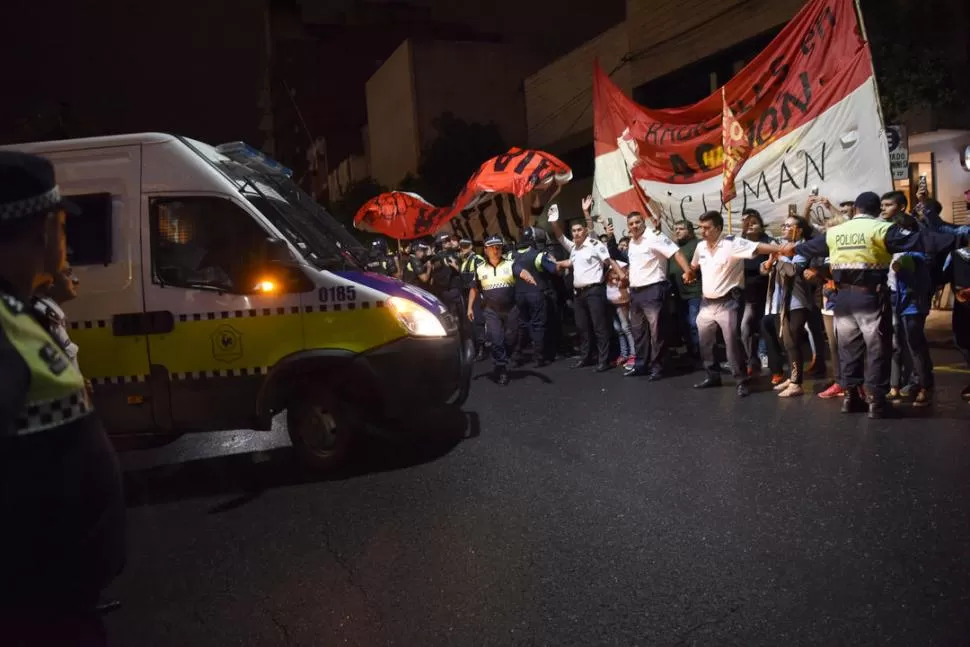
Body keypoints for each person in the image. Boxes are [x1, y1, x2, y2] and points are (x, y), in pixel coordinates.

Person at [0, 151, 125, 645]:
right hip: (36, 615)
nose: (67, 238)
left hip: (54, 603)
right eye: (62, 223)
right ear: (42, 230)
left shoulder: (19, 314)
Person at [790, 191, 951, 419]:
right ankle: (876, 401)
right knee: (877, 349)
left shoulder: (835, 232)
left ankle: (851, 397)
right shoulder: (881, 229)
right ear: (876, 210)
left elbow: (806, 248)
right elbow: (923, 241)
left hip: (842, 300)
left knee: (848, 349)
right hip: (870, 298)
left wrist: (788, 250)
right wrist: (959, 238)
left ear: (856, 209)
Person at [691, 210, 787, 397]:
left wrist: (780, 249)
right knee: (706, 343)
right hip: (706, 304)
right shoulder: (700, 247)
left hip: (728, 302)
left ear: (718, 228)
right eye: (700, 228)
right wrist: (689, 272)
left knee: (732, 345)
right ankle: (712, 376)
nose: (702, 232)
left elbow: (758, 247)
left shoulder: (731, 244)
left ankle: (741, 380)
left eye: (707, 228)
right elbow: (695, 266)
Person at [611, 211, 694, 380]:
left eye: (637, 222)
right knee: (638, 332)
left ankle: (658, 367)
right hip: (636, 292)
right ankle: (641, 365)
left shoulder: (654, 236)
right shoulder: (632, 242)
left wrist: (688, 271)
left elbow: (675, 252)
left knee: (657, 332)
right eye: (631, 223)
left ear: (643, 222)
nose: (634, 226)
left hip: (654, 289)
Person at [551, 195, 623, 372]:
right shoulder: (573, 248)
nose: (575, 233)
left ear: (584, 231)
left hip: (594, 291)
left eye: (578, 230)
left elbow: (608, 260)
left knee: (599, 327)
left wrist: (621, 273)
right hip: (579, 294)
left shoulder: (594, 244)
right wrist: (553, 221)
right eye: (573, 231)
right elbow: (560, 237)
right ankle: (586, 357)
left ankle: (603, 360)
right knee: (582, 327)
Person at [760, 215, 816, 398]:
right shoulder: (779, 247)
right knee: (785, 342)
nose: (784, 228)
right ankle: (793, 378)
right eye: (783, 225)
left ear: (798, 230)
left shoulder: (802, 249)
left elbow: (793, 271)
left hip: (797, 301)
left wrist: (779, 257)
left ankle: (796, 382)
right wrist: (770, 261)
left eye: (788, 226)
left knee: (792, 340)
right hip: (779, 301)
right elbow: (764, 269)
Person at [467, 235, 520, 385]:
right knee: (497, 339)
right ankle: (501, 368)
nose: (495, 250)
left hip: (511, 308)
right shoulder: (480, 269)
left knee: (511, 338)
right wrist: (470, 307)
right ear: (485, 250)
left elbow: (520, 271)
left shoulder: (510, 264)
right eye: (491, 248)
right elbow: (473, 289)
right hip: (491, 310)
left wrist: (526, 275)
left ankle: (502, 359)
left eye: (498, 247)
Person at [511, 226, 560, 367]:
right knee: (538, 325)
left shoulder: (511, 256)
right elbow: (554, 269)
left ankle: (517, 354)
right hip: (536, 293)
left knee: (522, 325)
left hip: (519, 295)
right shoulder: (538, 255)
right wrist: (554, 260)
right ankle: (538, 357)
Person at [739, 209, 775, 376]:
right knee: (745, 327)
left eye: (753, 222)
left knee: (763, 326)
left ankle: (763, 354)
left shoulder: (768, 242)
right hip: (745, 293)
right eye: (746, 223)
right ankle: (749, 358)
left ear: (761, 225)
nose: (750, 226)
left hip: (765, 291)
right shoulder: (739, 243)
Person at [668, 220, 702, 365]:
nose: (677, 231)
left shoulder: (697, 245)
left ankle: (701, 353)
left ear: (690, 231)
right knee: (684, 325)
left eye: (681, 229)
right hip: (678, 293)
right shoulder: (673, 247)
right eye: (675, 229)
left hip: (694, 291)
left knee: (695, 324)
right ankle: (691, 352)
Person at [458, 238, 487, 361]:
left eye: (465, 246)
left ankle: (481, 348)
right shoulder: (464, 261)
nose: (463, 249)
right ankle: (475, 347)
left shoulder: (478, 259)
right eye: (461, 246)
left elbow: (483, 277)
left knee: (477, 320)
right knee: (470, 322)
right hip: (466, 294)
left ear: (471, 246)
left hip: (476, 293)